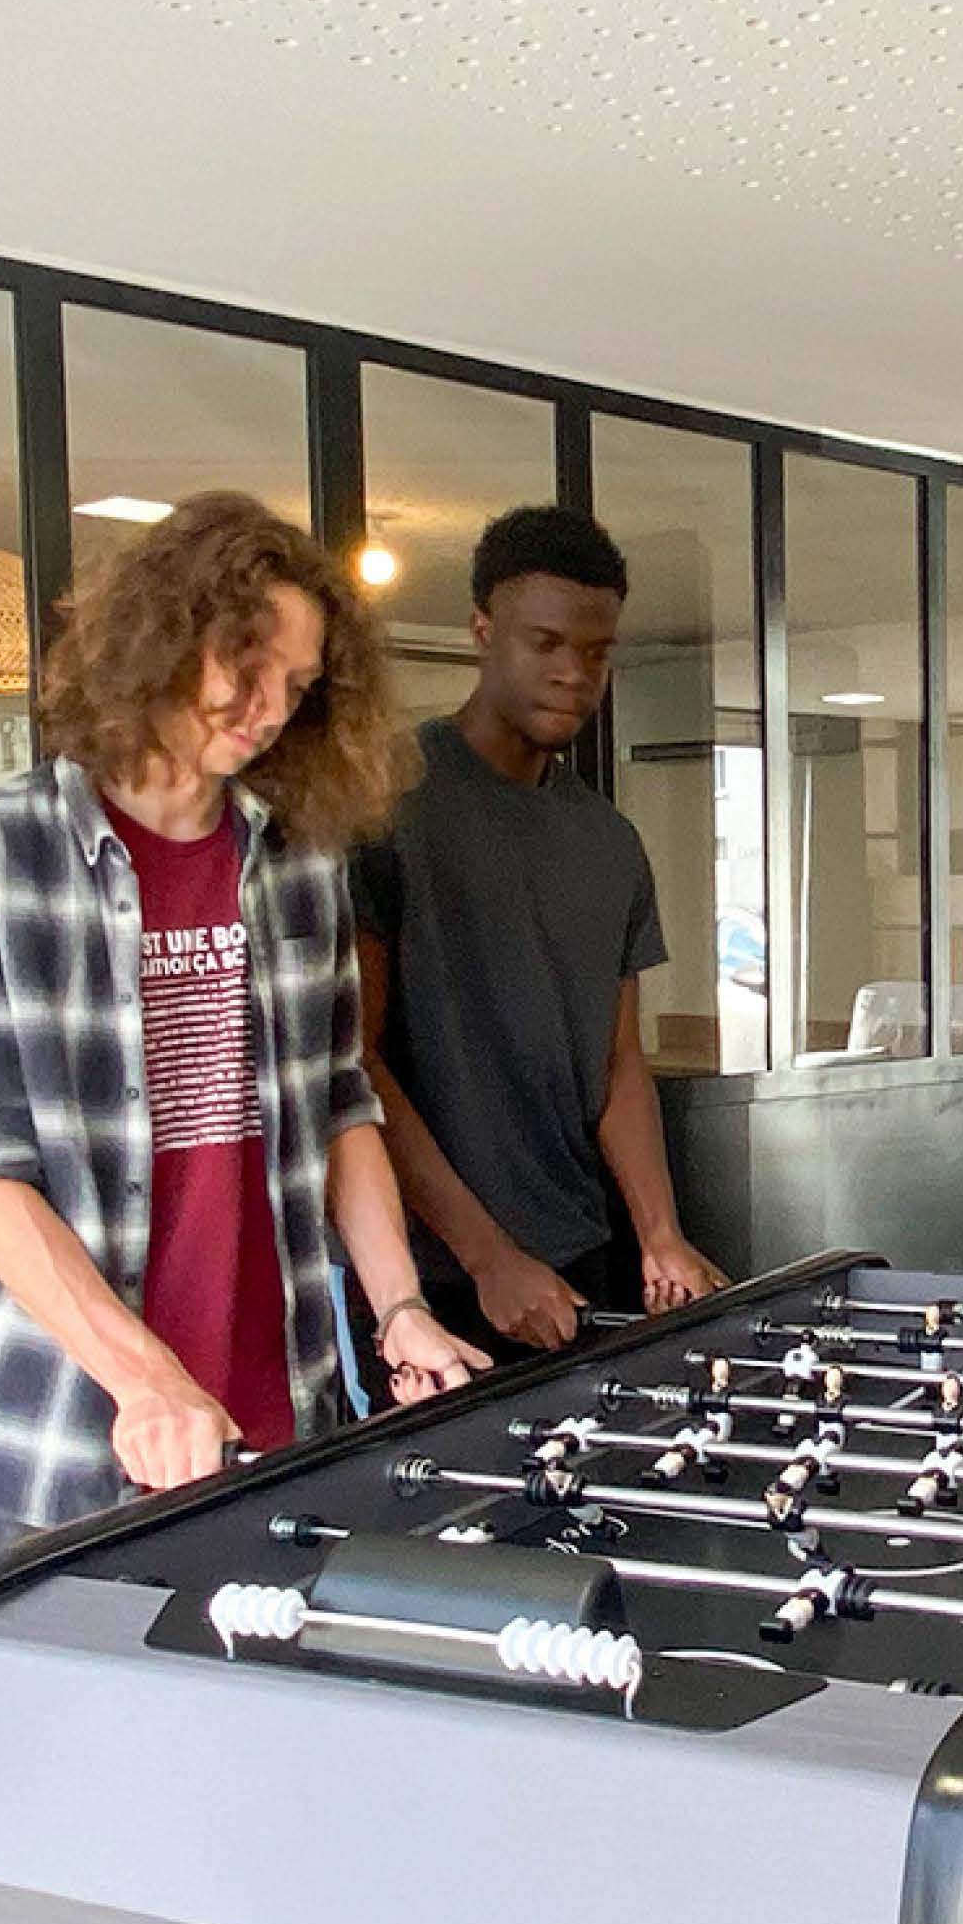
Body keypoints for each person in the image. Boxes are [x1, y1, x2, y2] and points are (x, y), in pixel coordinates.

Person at [0, 490, 490, 1924]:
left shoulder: (293, 868)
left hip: (274, 1417)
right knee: (48, 1823)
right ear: (164, 635)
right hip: (43, 1439)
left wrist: (398, 1305)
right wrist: (144, 1378)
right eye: (246, 664)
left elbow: (337, 1111)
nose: (265, 706)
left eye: (298, 684)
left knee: (317, 1779)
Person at [353, 504, 724, 1365]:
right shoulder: (383, 806)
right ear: (483, 631)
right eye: (546, 643)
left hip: (577, 1257)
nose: (573, 674)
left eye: (595, 652)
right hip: (426, 1283)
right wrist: (487, 1257)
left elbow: (618, 1063)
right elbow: (354, 1063)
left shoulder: (609, 842)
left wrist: (660, 1235)